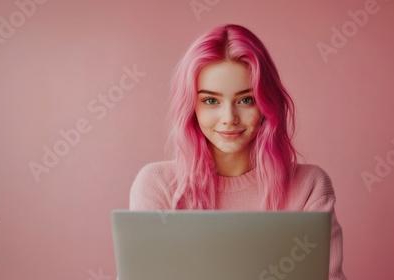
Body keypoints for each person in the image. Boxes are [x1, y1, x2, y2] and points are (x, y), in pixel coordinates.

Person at [129, 24, 347, 280]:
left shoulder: (309, 186)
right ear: (191, 107)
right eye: (211, 100)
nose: (229, 118)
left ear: (267, 104)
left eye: (246, 99)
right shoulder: (157, 185)